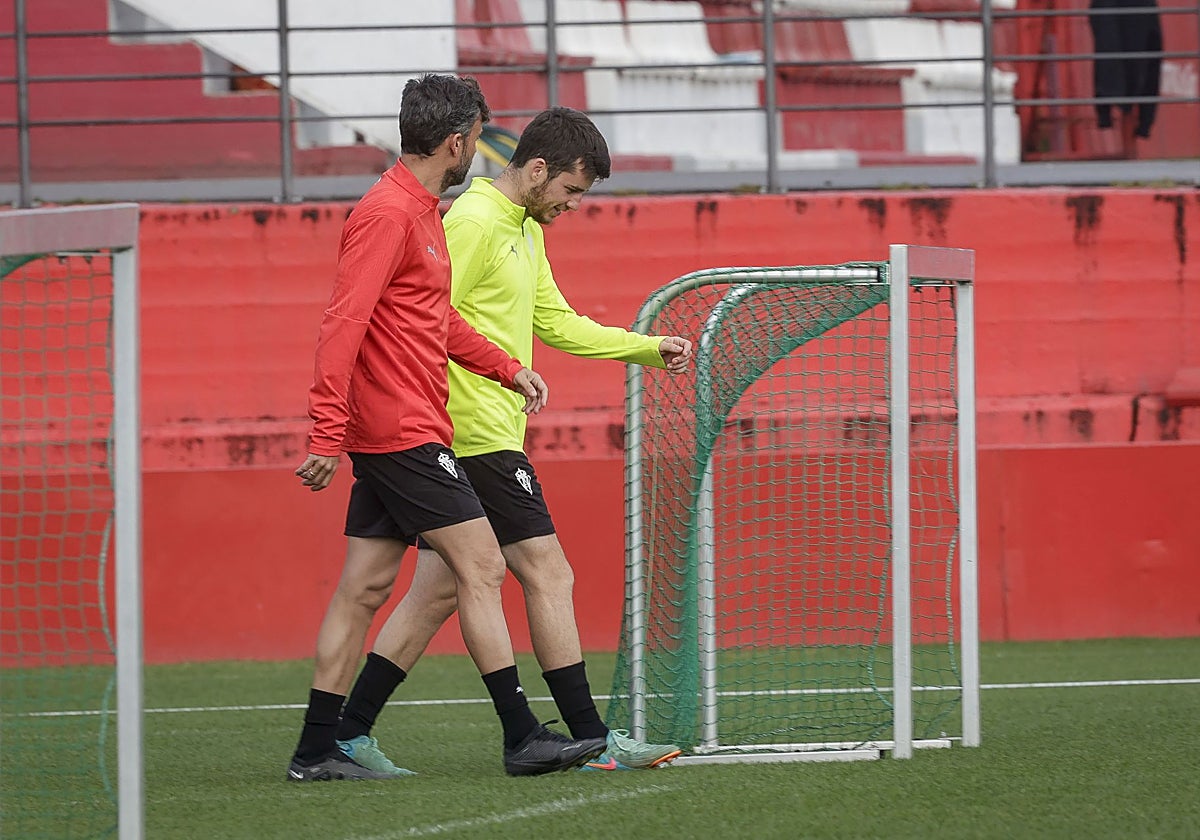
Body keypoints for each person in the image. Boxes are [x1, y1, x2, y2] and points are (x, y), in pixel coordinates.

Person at [333, 107, 693, 776]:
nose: (573, 205)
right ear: (537, 170)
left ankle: (347, 734)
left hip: (486, 431)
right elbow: (427, 316)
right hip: (472, 433)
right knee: (548, 571)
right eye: (571, 190)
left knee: (439, 591)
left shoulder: (523, 228)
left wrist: (645, 347)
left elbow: (556, 322)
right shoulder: (472, 222)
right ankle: (592, 740)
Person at [287, 79, 608, 782]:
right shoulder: (388, 214)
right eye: (480, 137)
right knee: (483, 566)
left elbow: (435, 319)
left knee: (366, 588)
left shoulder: (423, 211)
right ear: (457, 142)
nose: (482, 150)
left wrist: (505, 367)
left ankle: (316, 751)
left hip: (411, 421)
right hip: (399, 428)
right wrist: (326, 433)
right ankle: (522, 735)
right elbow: (343, 323)